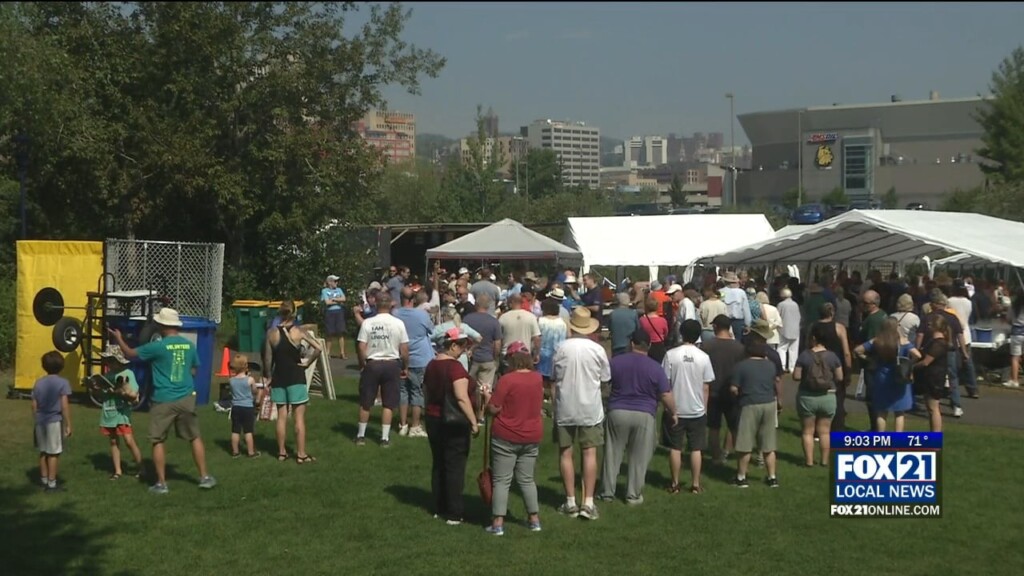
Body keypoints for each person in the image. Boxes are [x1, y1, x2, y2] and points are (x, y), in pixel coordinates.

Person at [109, 308, 216, 493]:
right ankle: (204, 477)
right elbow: (193, 370)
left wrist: (118, 338)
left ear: (162, 326)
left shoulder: (157, 346)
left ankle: (161, 483)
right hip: (186, 397)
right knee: (194, 436)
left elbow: (130, 354)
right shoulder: (189, 345)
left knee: (158, 440)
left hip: (163, 399)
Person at [598, 328, 674, 505]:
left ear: (632, 343)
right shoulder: (655, 367)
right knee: (639, 457)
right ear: (649, 346)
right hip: (644, 414)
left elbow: (603, 383)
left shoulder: (616, 362)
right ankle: (633, 494)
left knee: (612, 454)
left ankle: (607, 492)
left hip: (617, 411)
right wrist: (674, 412)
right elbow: (665, 394)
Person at [552, 307, 610, 520]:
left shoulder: (561, 348)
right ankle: (588, 502)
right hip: (590, 407)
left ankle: (570, 501)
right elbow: (605, 379)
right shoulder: (597, 350)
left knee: (565, 453)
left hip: (565, 405)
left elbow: (553, 377)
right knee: (589, 453)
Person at [485, 342, 545, 535]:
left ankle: (498, 523)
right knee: (527, 479)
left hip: (506, 434)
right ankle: (534, 519)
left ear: (512, 359)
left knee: (502, 480)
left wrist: (486, 397)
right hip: (531, 434)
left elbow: (494, 408)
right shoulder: (537, 378)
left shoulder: (507, 380)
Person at [423, 327, 480, 525]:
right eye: (462, 347)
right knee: (455, 466)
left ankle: (439, 506)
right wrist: (473, 421)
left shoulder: (431, 365)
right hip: (453, 421)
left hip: (433, 418)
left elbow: (426, 391)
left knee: (439, 463)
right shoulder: (455, 368)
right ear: (453, 346)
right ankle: (454, 512)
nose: (464, 351)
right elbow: (461, 397)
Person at [263, 300, 322, 462]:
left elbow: (267, 358)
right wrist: (307, 363)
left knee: (281, 416)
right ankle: (301, 454)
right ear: (294, 313)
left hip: (279, 376)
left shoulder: (271, 333)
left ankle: (282, 452)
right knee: (299, 418)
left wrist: (268, 376)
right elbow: (318, 348)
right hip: (296, 376)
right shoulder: (299, 331)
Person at [662, 320, 714, 494]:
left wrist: (668, 406)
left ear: (681, 333)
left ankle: (675, 483)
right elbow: (706, 386)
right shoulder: (703, 357)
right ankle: (695, 484)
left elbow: (666, 383)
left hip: (675, 408)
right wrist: (704, 408)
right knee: (696, 448)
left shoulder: (671, 355)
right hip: (697, 409)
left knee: (675, 447)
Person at [729, 322, 782, 488]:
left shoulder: (741, 366)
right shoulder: (770, 365)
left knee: (745, 444)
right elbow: (776, 382)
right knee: (768, 445)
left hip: (749, 404)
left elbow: (733, 388)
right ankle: (772, 477)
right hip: (769, 403)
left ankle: (741, 477)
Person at [355, 293, 409, 447]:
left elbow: (361, 346)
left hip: (372, 363)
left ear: (376, 304)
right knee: (388, 402)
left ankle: (361, 436)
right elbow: (404, 349)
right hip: (392, 363)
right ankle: (384, 438)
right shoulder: (398, 323)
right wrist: (405, 366)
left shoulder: (368, 323)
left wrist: (362, 363)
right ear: (391, 304)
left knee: (366, 401)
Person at [854, 318, 921, 433]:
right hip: (899, 376)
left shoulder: (877, 340)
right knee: (899, 412)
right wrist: (908, 362)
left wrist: (870, 359)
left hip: (882, 376)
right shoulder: (903, 341)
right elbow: (918, 355)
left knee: (881, 411)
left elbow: (857, 350)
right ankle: (898, 438)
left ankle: (881, 436)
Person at [793, 323, 843, 467]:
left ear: (813, 338)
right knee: (825, 432)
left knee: (807, 431)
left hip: (807, 397)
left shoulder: (804, 355)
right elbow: (840, 377)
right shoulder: (833, 356)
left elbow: (796, 376)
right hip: (828, 396)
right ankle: (824, 461)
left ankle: (809, 461)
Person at [701, 315, 747, 465]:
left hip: (712, 390)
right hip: (733, 391)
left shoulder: (707, 346)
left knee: (713, 427)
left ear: (715, 326)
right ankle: (740, 459)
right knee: (735, 428)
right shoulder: (739, 347)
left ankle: (716, 457)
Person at [393, 287, 436, 439]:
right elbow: (432, 331)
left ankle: (403, 424)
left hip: (400, 356)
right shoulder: (422, 315)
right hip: (419, 358)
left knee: (403, 391)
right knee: (417, 392)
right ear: (413, 299)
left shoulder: (395, 314)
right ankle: (415, 426)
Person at [96, 345, 144, 480]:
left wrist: (121, 392)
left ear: (119, 361)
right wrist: (97, 389)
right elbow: (102, 396)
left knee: (128, 440)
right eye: (108, 360)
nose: (109, 363)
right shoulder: (107, 376)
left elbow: (133, 393)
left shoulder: (127, 373)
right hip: (109, 410)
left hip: (122, 412)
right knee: (113, 441)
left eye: (112, 360)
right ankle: (118, 471)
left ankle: (142, 467)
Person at [32, 351, 72, 492]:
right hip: (54, 420)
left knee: (43, 451)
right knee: (53, 453)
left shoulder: (38, 383)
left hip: (40, 420)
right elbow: (64, 405)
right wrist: (68, 424)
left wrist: (36, 418)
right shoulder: (63, 383)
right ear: (61, 366)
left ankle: (43, 479)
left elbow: (34, 404)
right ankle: (52, 483)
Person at [815, 303, 853, 431]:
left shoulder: (813, 327)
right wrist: (848, 369)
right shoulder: (839, 328)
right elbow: (846, 352)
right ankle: (837, 428)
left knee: (817, 396)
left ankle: (818, 428)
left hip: (818, 364)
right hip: (836, 365)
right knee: (838, 398)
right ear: (832, 313)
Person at [914, 314, 951, 432]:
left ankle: (935, 435)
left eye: (930, 324)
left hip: (934, 378)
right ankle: (933, 433)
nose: (928, 326)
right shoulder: (934, 341)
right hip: (930, 376)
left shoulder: (939, 343)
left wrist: (912, 367)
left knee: (933, 407)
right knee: (931, 408)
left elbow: (926, 362)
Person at [228, 353, 261, 458]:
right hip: (247, 407)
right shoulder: (250, 380)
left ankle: (235, 452)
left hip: (236, 407)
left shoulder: (231, 380)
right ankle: (251, 452)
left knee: (235, 431)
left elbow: (232, 392)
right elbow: (255, 391)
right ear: (245, 366)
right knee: (248, 431)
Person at [321, 274, 348, 359]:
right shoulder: (324, 291)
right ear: (330, 282)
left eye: (337, 281)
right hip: (330, 312)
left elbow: (344, 299)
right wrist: (338, 301)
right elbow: (327, 302)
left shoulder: (339, 289)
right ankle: (327, 353)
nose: (336, 283)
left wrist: (334, 299)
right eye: (335, 281)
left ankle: (342, 353)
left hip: (339, 312)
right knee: (330, 333)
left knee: (340, 332)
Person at [777, 288, 802, 372]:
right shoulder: (795, 304)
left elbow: (777, 316)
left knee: (781, 348)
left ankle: (782, 366)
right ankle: (792, 367)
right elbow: (799, 316)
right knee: (793, 350)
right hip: (795, 329)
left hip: (784, 329)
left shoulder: (781, 304)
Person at [639, 297, 669, 363]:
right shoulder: (662, 320)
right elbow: (666, 333)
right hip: (659, 345)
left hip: (647, 345)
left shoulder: (642, 320)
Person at [1007, 293, 1024, 388]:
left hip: (1017, 332)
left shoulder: (1013, 305)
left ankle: (1014, 380)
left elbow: (1008, 319)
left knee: (1015, 357)